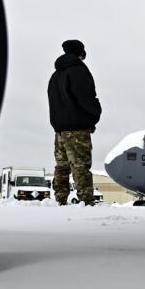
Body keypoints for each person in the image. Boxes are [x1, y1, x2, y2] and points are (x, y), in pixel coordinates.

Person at [48, 39, 101, 205]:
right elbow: (86, 98)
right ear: (80, 53)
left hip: (60, 131)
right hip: (78, 129)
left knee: (62, 167)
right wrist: (95, 113)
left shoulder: (55, 76)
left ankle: (60, 200)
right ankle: (86, 201)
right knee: (80, 166)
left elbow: (53, 102)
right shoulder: (78, 71)